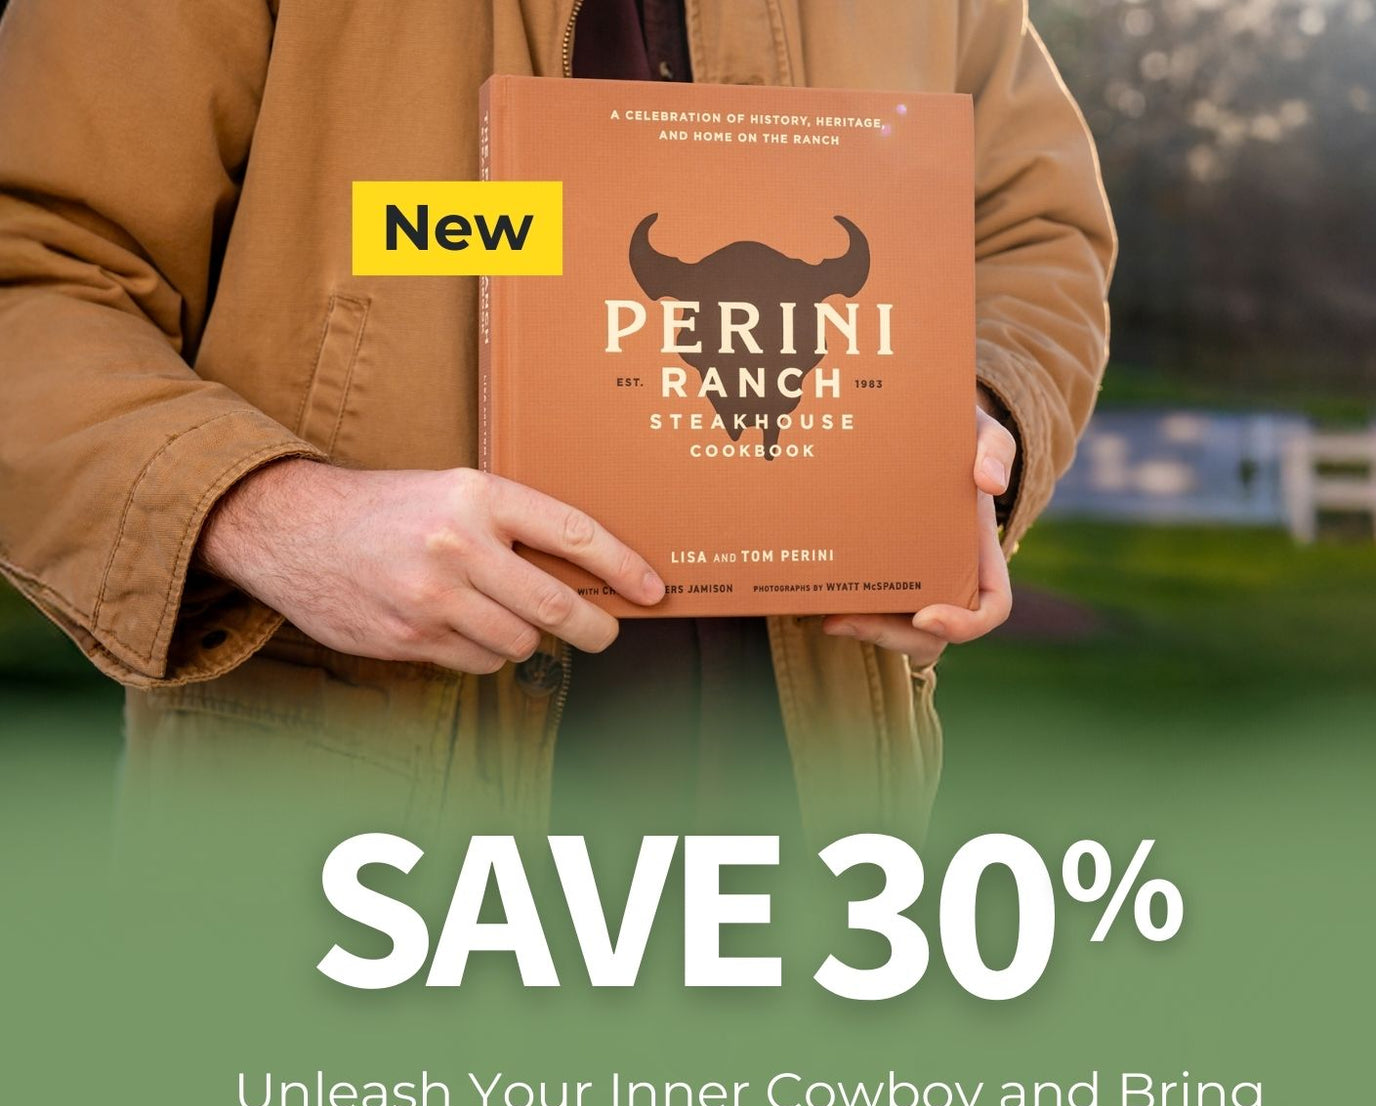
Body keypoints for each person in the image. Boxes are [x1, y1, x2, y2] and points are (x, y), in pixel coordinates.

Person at [0, 0, 1114, 838]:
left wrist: (967, 422)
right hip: (346, 853)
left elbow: (1033, 235)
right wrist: (266, 513)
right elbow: (31, 274)